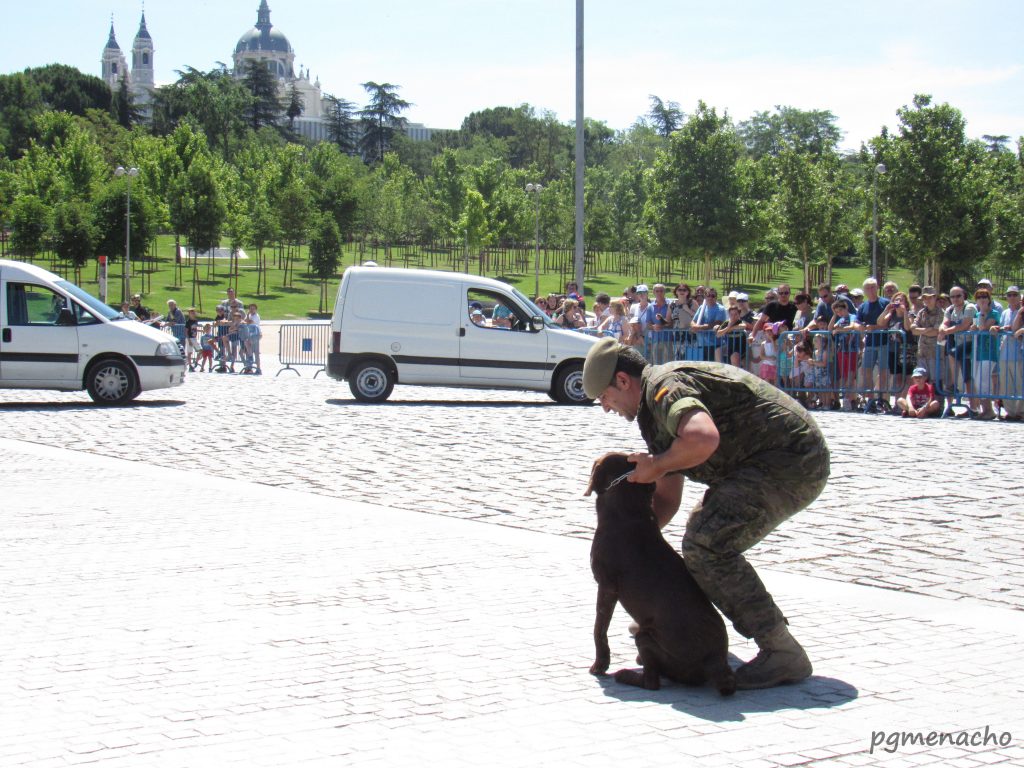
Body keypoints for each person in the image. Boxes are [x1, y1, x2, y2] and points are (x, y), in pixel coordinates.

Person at [581, 338, 829, 689]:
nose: (606, 408)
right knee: (700, 536)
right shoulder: (653, 415)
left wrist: (657, 465)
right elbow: (667, 497)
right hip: (762, 465)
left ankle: (781, 651)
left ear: (623, 381)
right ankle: (675, 632)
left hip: (791, 460)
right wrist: (632, 548)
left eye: (604, 398)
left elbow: (702, 438)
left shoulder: (665, 388)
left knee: (707, 544)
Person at [937, 287, 976, 418]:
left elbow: (964, 325)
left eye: (958, 296)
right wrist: (942, 328)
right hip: (956, 342)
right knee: (962, 375)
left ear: (963, 295)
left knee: (968, 376)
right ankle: (952, 405)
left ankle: (973, 407)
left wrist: (946, 332)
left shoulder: (969, 307)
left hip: (969, 344)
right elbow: (945, 322)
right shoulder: (950, 309)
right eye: (952, 297)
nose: (955, 299)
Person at [852, 278, 890, 413]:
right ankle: (870, 399)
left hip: (884, 342)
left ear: (877, 287)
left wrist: (873, 327)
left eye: (873, 287)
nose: (870, 290)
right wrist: (860, 328)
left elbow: (887, 322)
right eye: (867, 288)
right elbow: (856, 322)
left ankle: (882, 399)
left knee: (883, 372)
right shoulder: (863, 306)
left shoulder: (885, 303)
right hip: (869, 343)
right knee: (866, 370)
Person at [970, 289, 1000, 420]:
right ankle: (985, 409)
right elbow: (975, 327)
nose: (982, 299)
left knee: (984, 381)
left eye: (984, 297)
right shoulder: (977, 314)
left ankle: (989, 410)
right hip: (978, 351)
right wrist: (973, 326)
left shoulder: (994, 313)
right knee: (977, 380)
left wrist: (982, 313)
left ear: (989, 299)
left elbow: (983, 327)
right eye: (979, 297)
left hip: (989, 351)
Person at [996, 286, 1023, 421]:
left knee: (1020, 383)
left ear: (1019, 297)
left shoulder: (1022, 312)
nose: (1012, 297)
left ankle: (1021, 411)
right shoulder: (1005, 312)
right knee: (1006, 384)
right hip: (1005, 352)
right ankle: (1010, 412)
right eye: (1009, 295)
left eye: (1014, 295)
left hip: (1018, 354)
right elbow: (1003, 327)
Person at [911, 286, 944, 383]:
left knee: (935, 381)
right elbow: (913, 330)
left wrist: (921, 330)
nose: (927, 300)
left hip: (935, 352)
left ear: (934, 297)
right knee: (922, 379)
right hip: (922, 351)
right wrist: (927, 329)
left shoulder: (941, 313)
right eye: (925, 297)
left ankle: (937, 399)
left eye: (930, 297)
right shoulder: (921, 312)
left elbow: (936, 332)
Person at [691, 288, 726, 362]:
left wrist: (699, 327)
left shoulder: (720, 309)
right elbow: (693, 321)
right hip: (701, 344)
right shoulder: (701, 308)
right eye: (708, 295)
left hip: (715, 344)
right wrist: (694, 326)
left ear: (716, 297)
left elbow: (717, 323)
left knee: (714, 368)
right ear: (705, 297)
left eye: (713, 296)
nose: (710, 297)